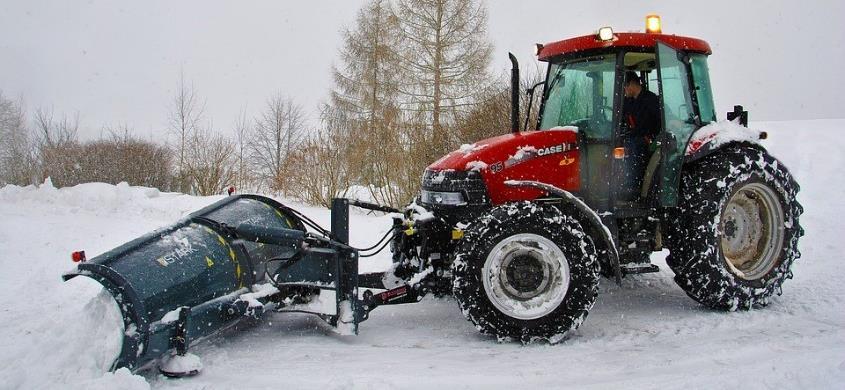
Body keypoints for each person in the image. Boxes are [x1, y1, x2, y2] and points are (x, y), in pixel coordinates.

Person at [620, 71, 661, 201]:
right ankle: (620, 184)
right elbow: (621, 118)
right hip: (633, 136)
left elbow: (657, 123)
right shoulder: (628, 102)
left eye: (625, 87)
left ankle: (633, 188)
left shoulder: (651, 100)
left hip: (649, 139)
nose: (624, 91)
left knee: (632, 146)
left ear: (631, 84)